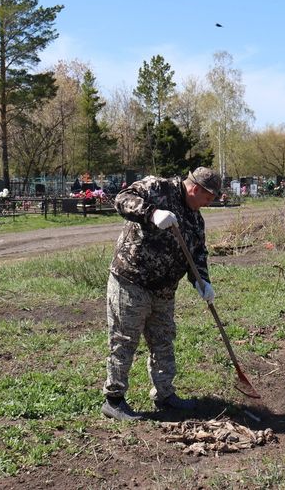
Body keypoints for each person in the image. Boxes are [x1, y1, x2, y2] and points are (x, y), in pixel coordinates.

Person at [101, 166, 222, 420]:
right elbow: (122, 199)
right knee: (124, 339)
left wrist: (203, 282)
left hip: (165, 289)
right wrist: (152, 212)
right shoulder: (158, 188)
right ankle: (114, 400)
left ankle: (164, 394)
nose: (209, 203)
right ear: (195, 189)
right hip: (131, 280)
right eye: (208, 197)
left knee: (163, 341)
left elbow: (197, 253)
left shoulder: (196, 218)